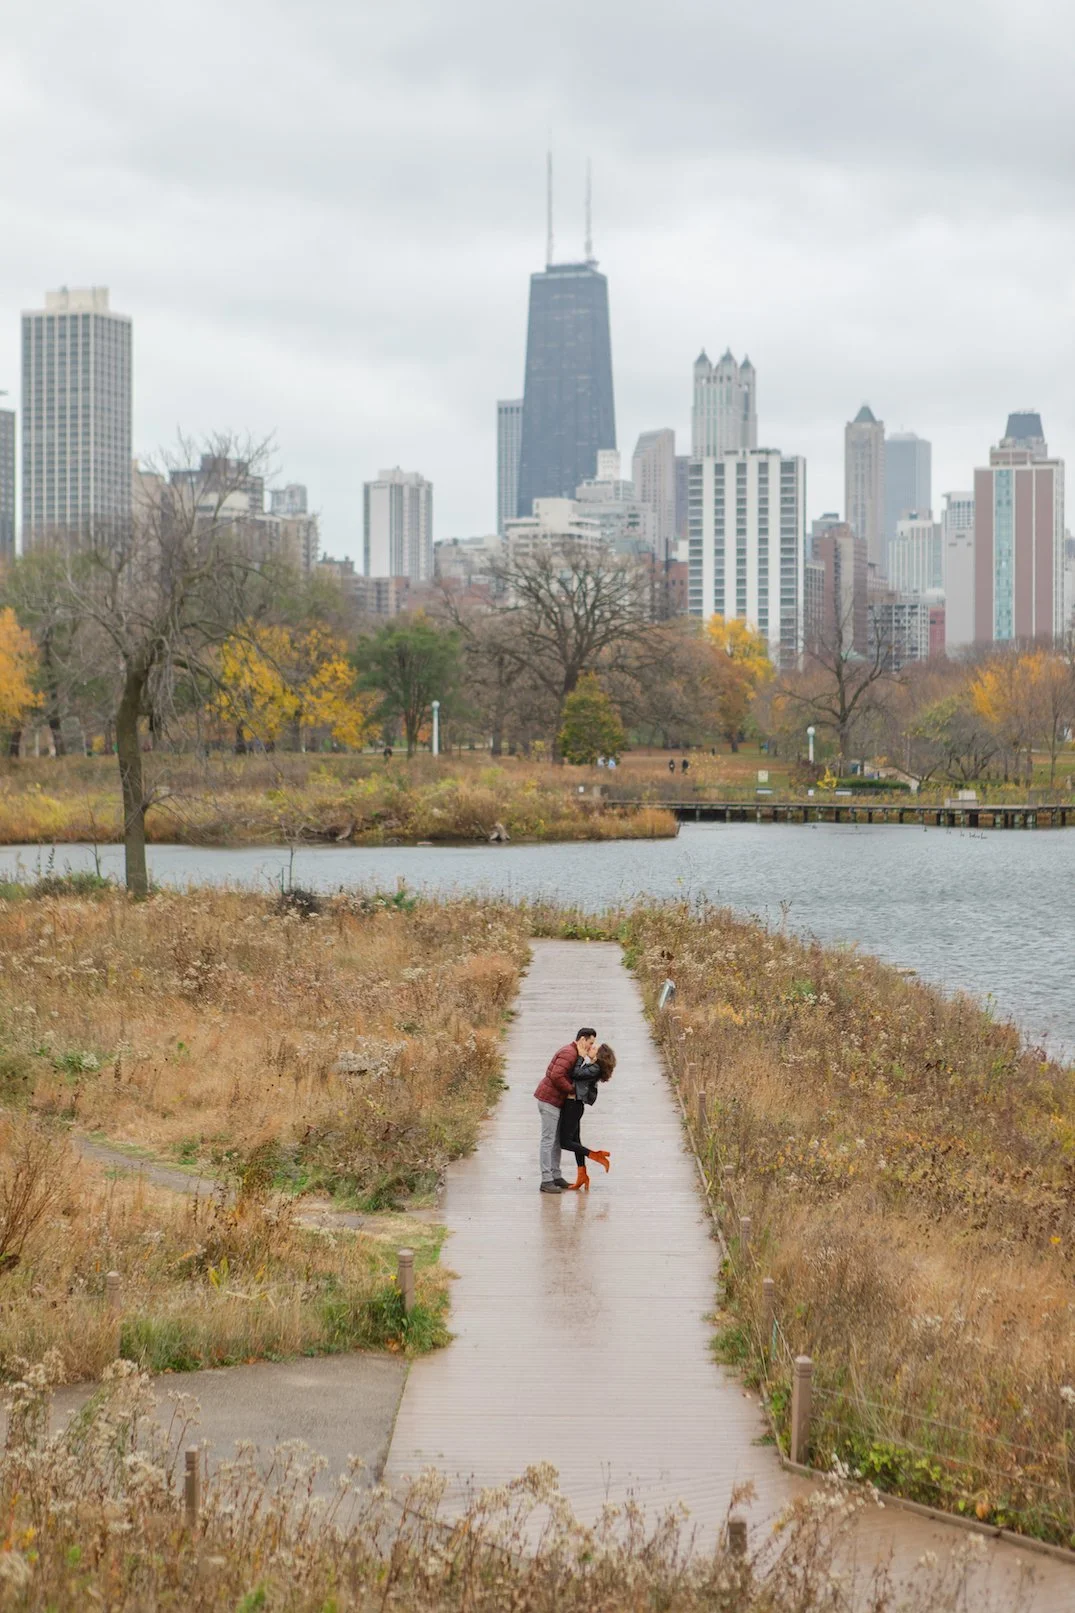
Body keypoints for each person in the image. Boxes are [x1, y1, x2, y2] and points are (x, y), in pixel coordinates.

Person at [533, 1028, 596, 1194]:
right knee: (548, 1140)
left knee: (555, 1140)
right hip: (549, 1101)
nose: (591, 1047)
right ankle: (546, 1180)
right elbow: (556, 1075)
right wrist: (572, 1090)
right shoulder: (569, 1053)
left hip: (555, 1101)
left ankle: (556, 1175)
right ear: (582, 1039)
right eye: (590, 1043)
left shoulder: (575, 1054)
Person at [559, 1043, 615, 1191]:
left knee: (564, 1141)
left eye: (594, 1048)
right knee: (576, 1140)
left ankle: (595, 1155)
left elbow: (575, 1074)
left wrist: (580, 1057)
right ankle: (582, 1174)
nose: (591, 1048)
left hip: (573, 1105)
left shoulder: (595, 1068)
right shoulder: (593, 1066)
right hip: (575, 1106)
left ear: (599, 1056)